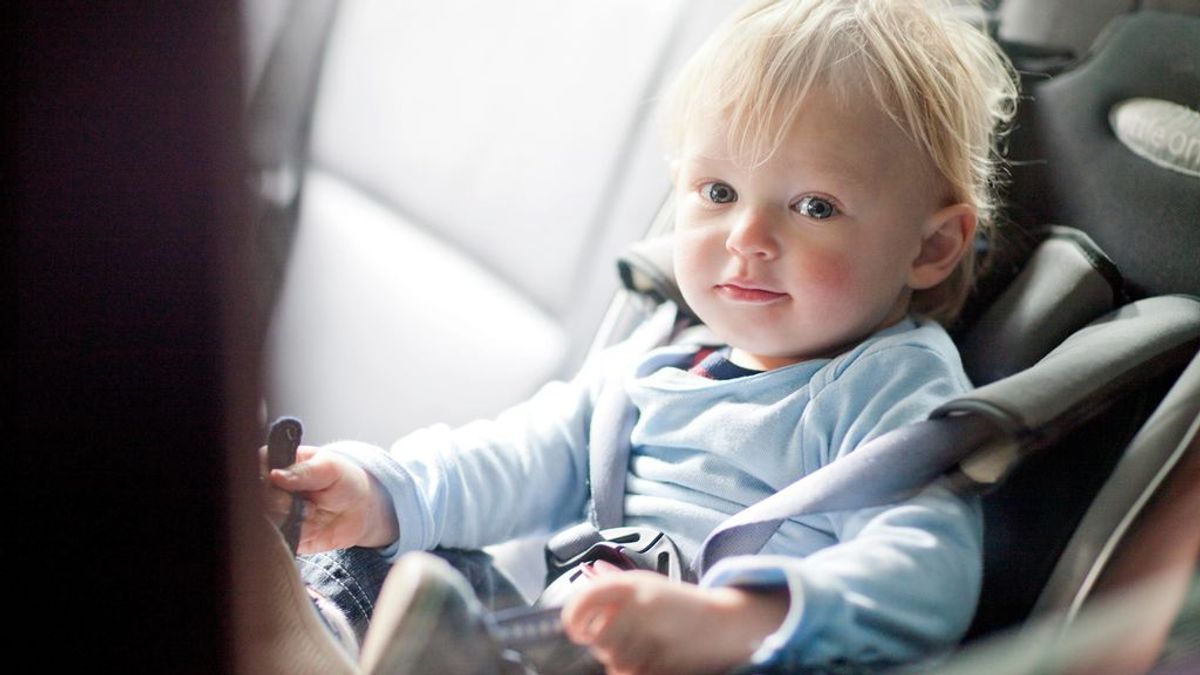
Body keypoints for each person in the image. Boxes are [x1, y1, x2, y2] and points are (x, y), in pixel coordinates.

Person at [265, 0, 1018, 672]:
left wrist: (735, 619)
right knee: (390, 552)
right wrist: (375, 492)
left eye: (815, 206)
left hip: (739, 656)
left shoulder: (892, 386)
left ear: (930, 248)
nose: (747, 237)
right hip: (560, 637)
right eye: (718, 193)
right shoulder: (655, 363)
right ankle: (338, 631)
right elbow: (514, 457)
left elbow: (926, 571)